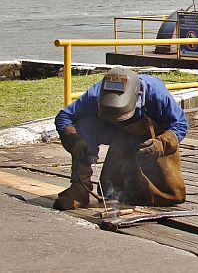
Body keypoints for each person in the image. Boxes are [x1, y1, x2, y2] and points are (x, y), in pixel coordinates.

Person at [53, 68, 188, 210]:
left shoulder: (156, 95)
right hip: (117, 133)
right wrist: (76, 142)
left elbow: (180, 124)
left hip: (152, 137)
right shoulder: (94, 95)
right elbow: (64, 117)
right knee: (84, 124)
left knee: (167, 194)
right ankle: (80, 188)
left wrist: (161, 144)